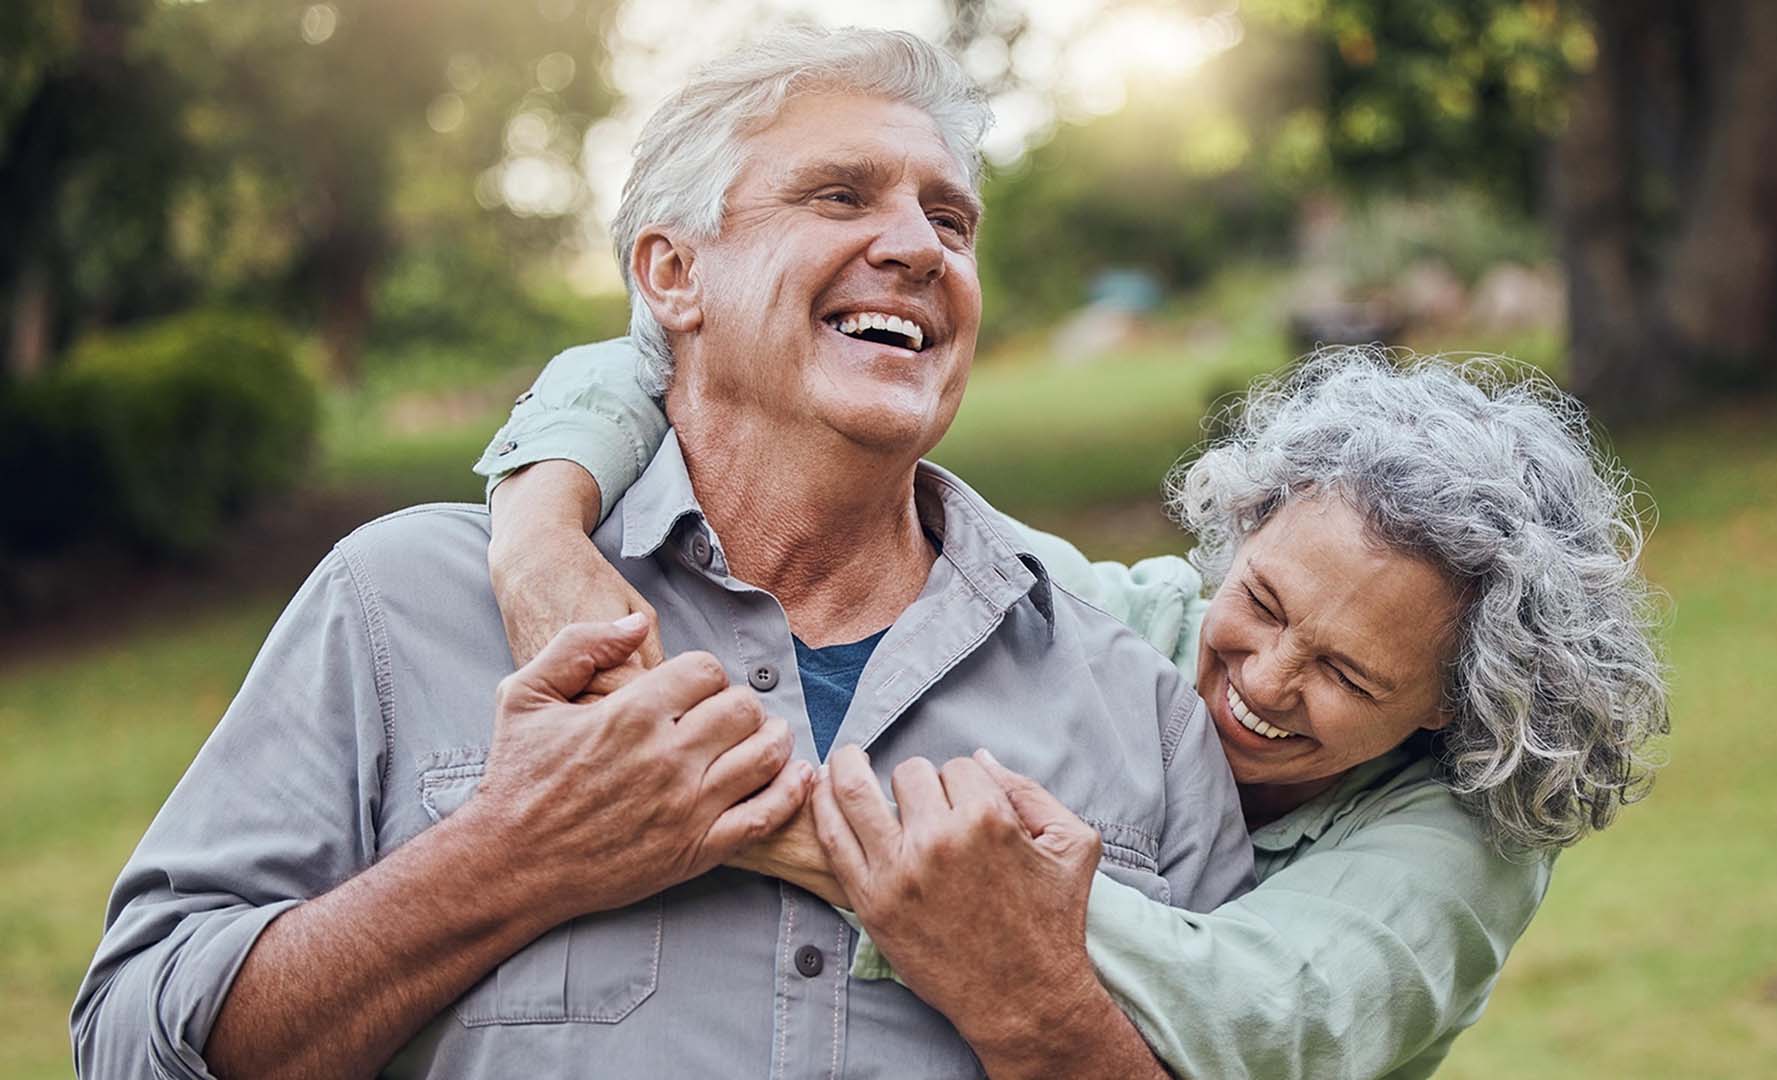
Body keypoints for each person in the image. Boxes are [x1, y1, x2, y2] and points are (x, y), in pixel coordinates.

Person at [72, 28, 1254, 1080]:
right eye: (841, 196)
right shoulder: (400, 604)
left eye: (950, 221)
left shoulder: (1137, 710)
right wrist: (512, 856)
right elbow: (135, 1040)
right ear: (672, 274)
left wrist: (1039, 1015)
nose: (916, 246)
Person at [479, 345, 1670, 1079]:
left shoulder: (1466, 840)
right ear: (1239, 530)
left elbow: (1253, 1021)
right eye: (1258, 602)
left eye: (1347, 677)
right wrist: (539, 534)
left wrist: (788, 832)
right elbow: (653, 348)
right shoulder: (1119, 625)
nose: (1260, 681)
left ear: (1450, 712)